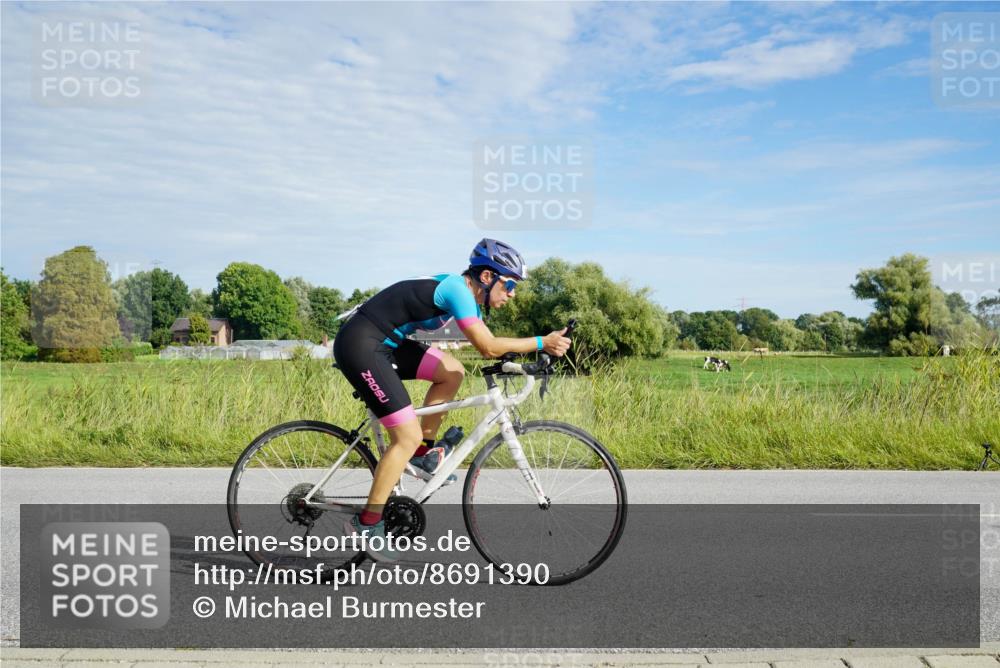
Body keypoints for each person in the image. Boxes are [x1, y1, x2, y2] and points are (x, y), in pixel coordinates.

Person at [333, 238, 571, 561]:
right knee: (406, 435)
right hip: (361, 344)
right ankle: (367, 523)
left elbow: (492, 345)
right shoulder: (459, 291)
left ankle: (421, 453)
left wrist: (518, 358)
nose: (512, 294)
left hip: (385, 342)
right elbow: (487, 346)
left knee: (452, 371)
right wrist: (544, 342)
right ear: (487, 278)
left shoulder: (465, 295)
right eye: (510, 284)